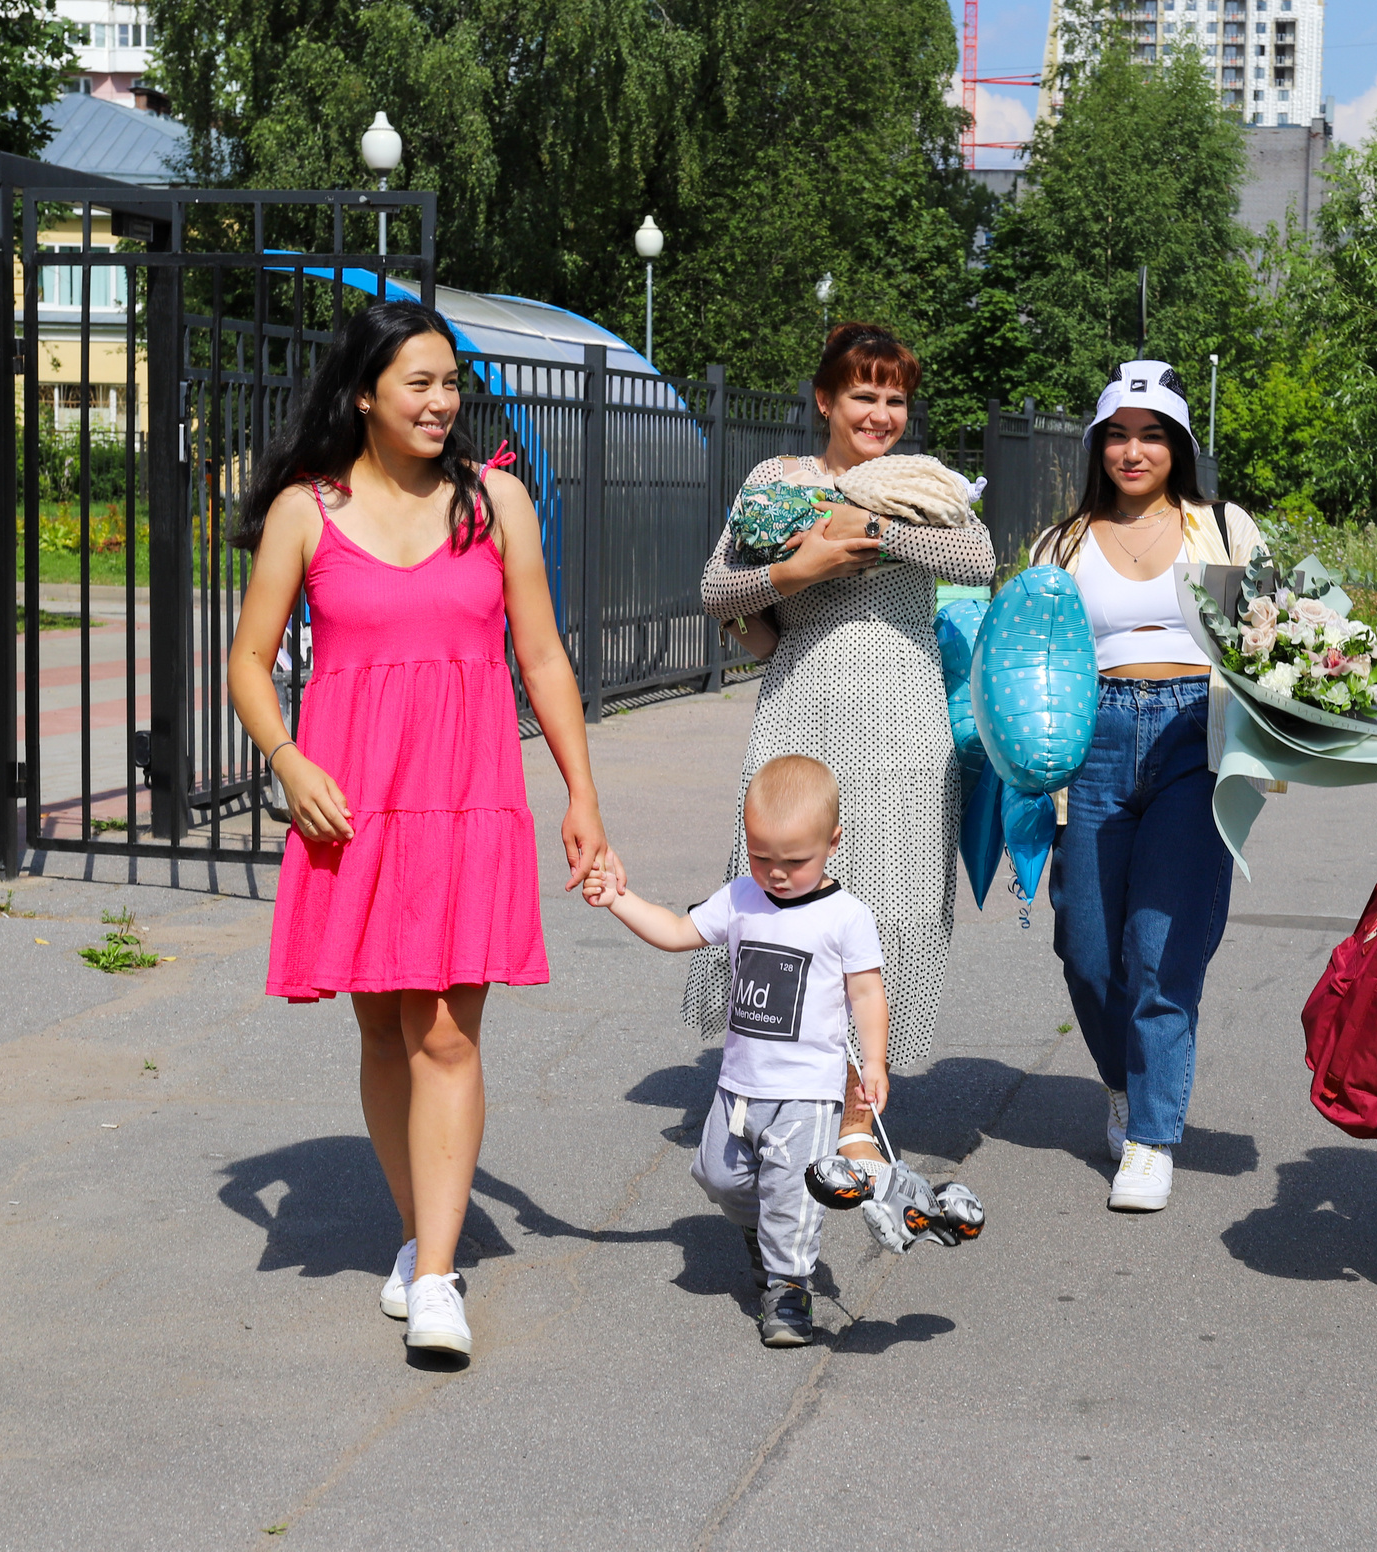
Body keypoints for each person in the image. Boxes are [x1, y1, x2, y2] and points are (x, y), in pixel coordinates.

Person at [225, 297, 617, 1365]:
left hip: (465, 796)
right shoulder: (308, 510)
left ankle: (437, 1275)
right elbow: (247, 664)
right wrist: (290, 761)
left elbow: (540, 659)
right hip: (350, 805)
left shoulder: (495, 502)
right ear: (365, 393)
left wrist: (582, 797)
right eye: (420, 384)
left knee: (446, 1030)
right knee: (383, 1028)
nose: (442, 402)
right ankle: (416, 1234)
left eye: (451, 384)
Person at [687, 325, 995, 1168]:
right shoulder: (775, 482)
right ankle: (768, 1078)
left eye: (895, 398)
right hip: (800, 705)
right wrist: (799, 568)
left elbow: (978, 555)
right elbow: (716, 585)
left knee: (888, 906)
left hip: (902, 713)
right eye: (864, 395)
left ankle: (860, 1110)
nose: (881, 413)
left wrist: (875, 523)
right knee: (781, 894)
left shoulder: (919, 481)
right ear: (825, 399)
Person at [1029, 361, 1264, 1214]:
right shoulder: (1058, 544)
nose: (1135, 449)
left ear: (1180, 444)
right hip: (1088, 742)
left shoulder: (1222, 528)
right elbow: (1031, 659)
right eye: (1118, 434)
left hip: (1192, 739)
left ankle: (1153, 1137)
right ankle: (1123, 1083)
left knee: (1160, 949)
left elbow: (1273, 639)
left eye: (1153, 432)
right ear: (1098, 445)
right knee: (1086, 950)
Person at [584, 756, 888, 1348]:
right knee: (718, 1176)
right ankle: (762, 1230)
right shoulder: (741, 897)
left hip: (806, 1089)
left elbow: (868, 992)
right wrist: (619, 900)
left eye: (795, 861)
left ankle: (789, 1290)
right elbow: (676, 932)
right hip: (740, 1083)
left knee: (793, 1189)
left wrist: (872, 1063)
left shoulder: (846, 917)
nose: (776, 874)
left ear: (833, 841)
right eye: (761, 856)